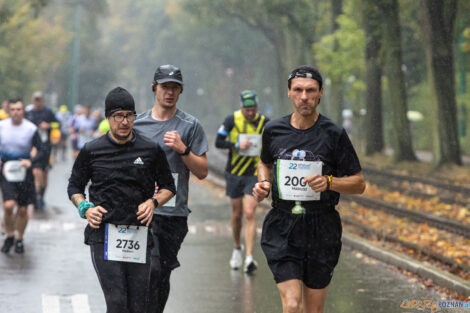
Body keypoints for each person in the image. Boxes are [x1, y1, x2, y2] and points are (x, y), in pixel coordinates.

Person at [253, 65, 365, 313]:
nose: (304, 97)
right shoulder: (273, 130)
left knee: (313, 310)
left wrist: (330, 182)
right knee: (292, 305)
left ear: (321, 92)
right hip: (282, 225)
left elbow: (359, 183)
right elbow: (264, 161)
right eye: (299, 90)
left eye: (311, 90)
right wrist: (263, 182)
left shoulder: (333, 134)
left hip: (322, 226)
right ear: (289, 92)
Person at [67, 87, 176, 313]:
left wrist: (153, 203)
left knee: (138, 306)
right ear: (108, 118)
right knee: (117, 303)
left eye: (129, 115)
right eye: (118, 116)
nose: (124, 122)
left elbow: (168, 187)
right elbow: (74, 187)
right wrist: (85, 207)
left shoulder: (150, 150)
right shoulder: (92, 150)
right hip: (104, 234)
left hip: (138, 233)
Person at [134, 64, 208, 313]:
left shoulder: (190, 125)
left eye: (175, 88)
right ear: (154, 88)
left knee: (161, 272)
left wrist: (183, 149)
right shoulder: (138, 125)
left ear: (181, 91)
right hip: (140, 211)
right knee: (146, 271)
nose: (170, 92)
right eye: (165, 87)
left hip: (172, 215)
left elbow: (202, 171)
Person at [215, 90, 269, 273]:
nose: (251, 113)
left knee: (249, 213)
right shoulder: (231, 120)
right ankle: (237, 248)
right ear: (241, 108)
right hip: (234, 173)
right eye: (247, 110)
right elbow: (218, 142)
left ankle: (249, 258)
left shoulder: (265, 123)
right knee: (237, 214)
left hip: (254, 174)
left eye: (253, 109)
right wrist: (236, 145)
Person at [0, 98, 47, 254]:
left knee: (22, 210)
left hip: (24, 172)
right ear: (9, 111)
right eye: (13, 109)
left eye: (19, 109)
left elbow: (42, 149)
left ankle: (19, 239)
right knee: (8, 206)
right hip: (6, 170)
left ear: (23, 111)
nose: (16, 112)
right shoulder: (2, 126)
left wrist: (31, 161)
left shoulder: (30, 128)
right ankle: (9, 235)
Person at [25, 91, 57, 211]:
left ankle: (41, 196)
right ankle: (36, 197)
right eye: (35, 99)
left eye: (39, 99)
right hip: (33, 146)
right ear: (33, 100)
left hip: (46, 147)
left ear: (42, 100)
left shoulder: (48, 112)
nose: (37, 101)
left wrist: (48, 126)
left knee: (44, 173)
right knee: (35, 171)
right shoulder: (28, 113)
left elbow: (57, 124)